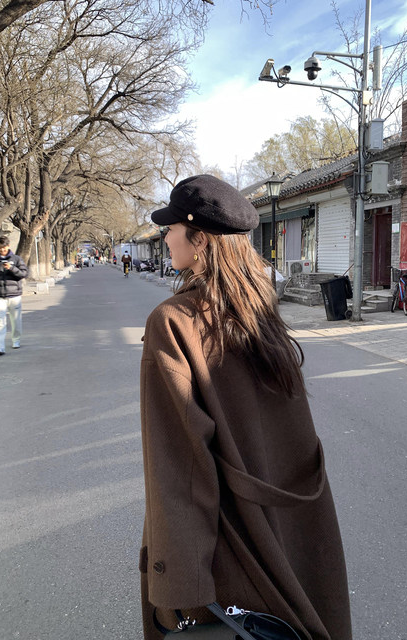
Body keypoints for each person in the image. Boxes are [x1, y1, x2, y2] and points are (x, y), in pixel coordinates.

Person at [139, 175, 352, 640]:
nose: (166, 237)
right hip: (290, 533)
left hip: (231, 549)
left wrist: (180, 589)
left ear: (199, 240)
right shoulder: (261, 312)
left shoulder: (173, 323)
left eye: (171, 227)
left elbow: (178, 469)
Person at [0, 235, 28, 356]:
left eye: (4, 247)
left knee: (16, 321)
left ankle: (16, 340)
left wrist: (11, 268)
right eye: (0, 248)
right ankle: (0, 347)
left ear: (8, 246)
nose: (2, 250)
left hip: (14, 295)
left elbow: (24, 274)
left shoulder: (17, 259)